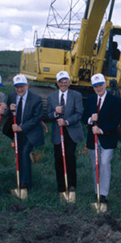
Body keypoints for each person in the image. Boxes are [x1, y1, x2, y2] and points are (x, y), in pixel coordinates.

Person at [82, 73, 121, 210]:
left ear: (105, 85)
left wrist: (102, 130)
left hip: (107, 138)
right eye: (95, 86)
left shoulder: (114, 100)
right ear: (93, 87)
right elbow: (84, 116)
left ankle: (104, 194)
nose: (98, 88)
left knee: (105, 163)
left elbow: (116, 119)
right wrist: (90, 120)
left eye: (100, 85)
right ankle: (97, 191)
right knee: (95, 165)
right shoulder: (91, 99)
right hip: (92, 139)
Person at [4, 74, 44, 200]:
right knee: (19, 153)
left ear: (27, 85)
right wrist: (9, 110)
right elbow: (7, 114)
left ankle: (25, 184)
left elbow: (37, 118)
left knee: (25, 152)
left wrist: (22, 127)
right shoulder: (11, 96)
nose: (19, 90)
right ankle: (20, 177)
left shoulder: (36, 98)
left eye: (22, 86)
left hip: (31, 131)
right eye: (17, 87)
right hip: (17, 132)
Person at [46, 70, 84, 203]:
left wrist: (66, 121)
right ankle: (61, 187)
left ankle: (72, 185)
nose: (63, 84)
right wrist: (56, 114)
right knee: (58, 159)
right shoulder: (51, 97)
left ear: (69, 82)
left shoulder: (76, 95)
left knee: (69, 157)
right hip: (58, 133)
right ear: (57, 83)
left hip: (71, 131)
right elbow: (48, 115)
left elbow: (79, 113)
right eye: (61, 82)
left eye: (66, 81)